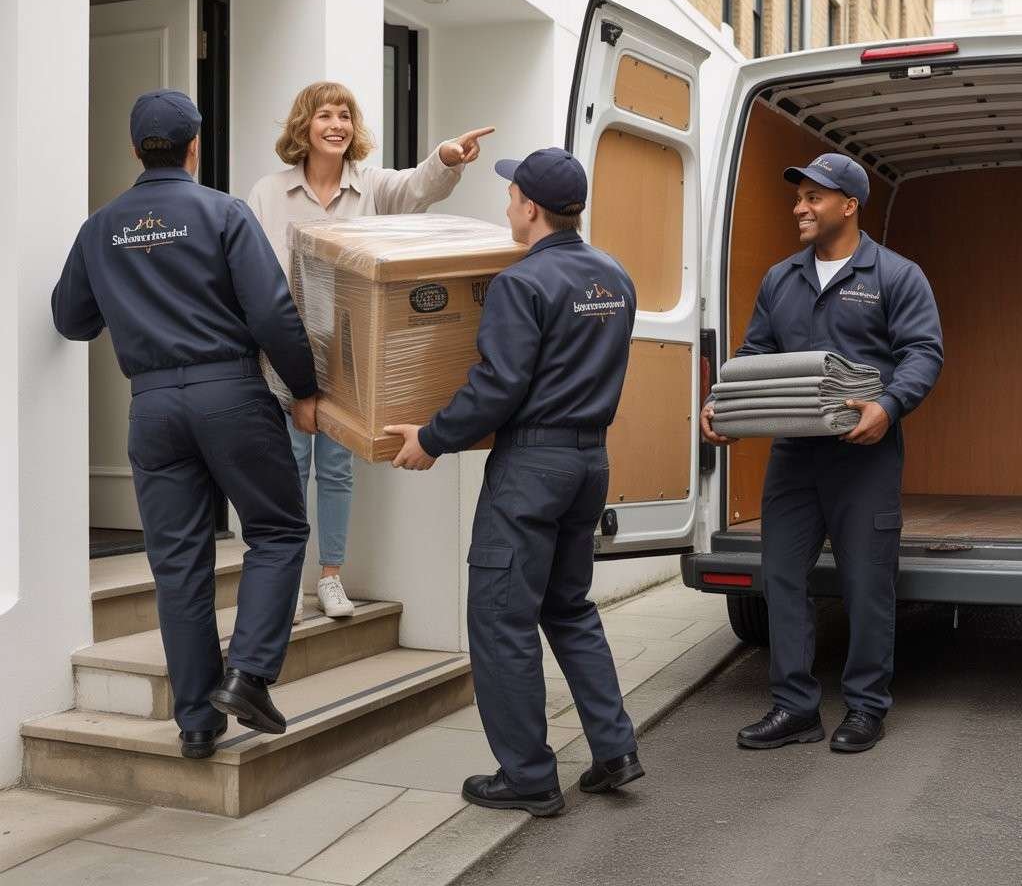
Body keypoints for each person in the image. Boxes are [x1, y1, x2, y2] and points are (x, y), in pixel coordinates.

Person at [52, 90, 319, 759]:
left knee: (178, 565)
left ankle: (197, 722)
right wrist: (308, 389)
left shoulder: (101, 227)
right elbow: (274, 313)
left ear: (137, 149)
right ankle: (250, 675)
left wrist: (131, 290)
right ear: (195, 145)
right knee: (278, 529)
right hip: (229, 392)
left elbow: (71, 319)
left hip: (153, 409)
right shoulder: (222, 212)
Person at [385, 148, 644, 818]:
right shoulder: (614, 277)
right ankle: (615, 747)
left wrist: (432, 439)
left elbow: (498, 385)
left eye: (510, 196)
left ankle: (528, 775)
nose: (506, 206)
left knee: (502, 620)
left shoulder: (521, 283)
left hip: (531, 468)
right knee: (569, 607)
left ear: (530, 206)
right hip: (590, 463)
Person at [701, 153, 942, 753]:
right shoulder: (782, 278)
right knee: (780, 577)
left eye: (814, 197)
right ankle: (794, 707)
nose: (800, 208)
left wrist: (888, 406)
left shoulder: (895, 275)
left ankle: (865, 707)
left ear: (850, 205)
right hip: (795, 457)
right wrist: (721, 404)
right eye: (798, 198)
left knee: (866, 584)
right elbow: (755, 355)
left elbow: (924, 353)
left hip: (864, 456)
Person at [248, 81, 494, 622]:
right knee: (286, 465)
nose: (337, 125)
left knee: (335, 467)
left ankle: (331, 577)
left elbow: (417, 187)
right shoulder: (269, 193)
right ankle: (286, 578)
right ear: (304, 127)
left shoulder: (372, 187)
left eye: (345, 116)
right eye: (325, 116)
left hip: (350, 357)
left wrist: (447, 158)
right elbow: (253, 275)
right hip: (287, 351)